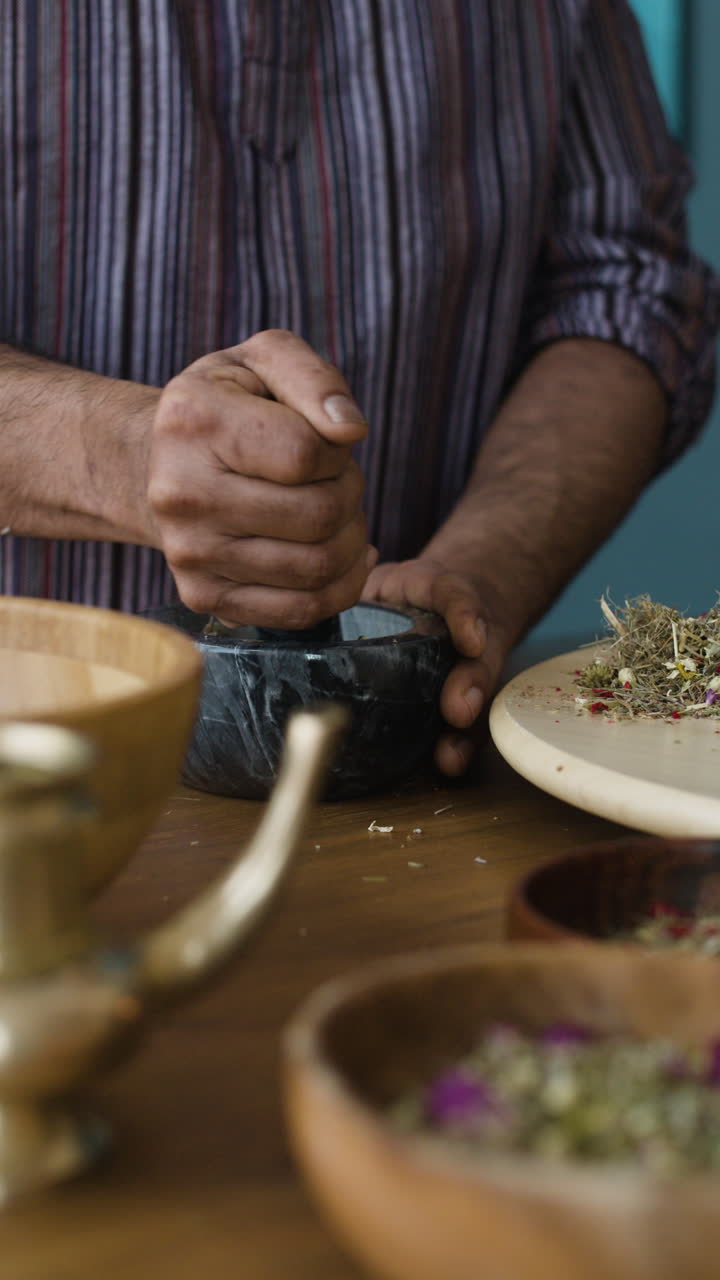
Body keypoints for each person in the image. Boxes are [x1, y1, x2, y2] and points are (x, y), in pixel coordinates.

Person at [0, 1, 718, 776]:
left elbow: (627, 286)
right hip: (28, 760)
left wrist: (480, 574)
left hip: (416, 765)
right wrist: (109, 454)